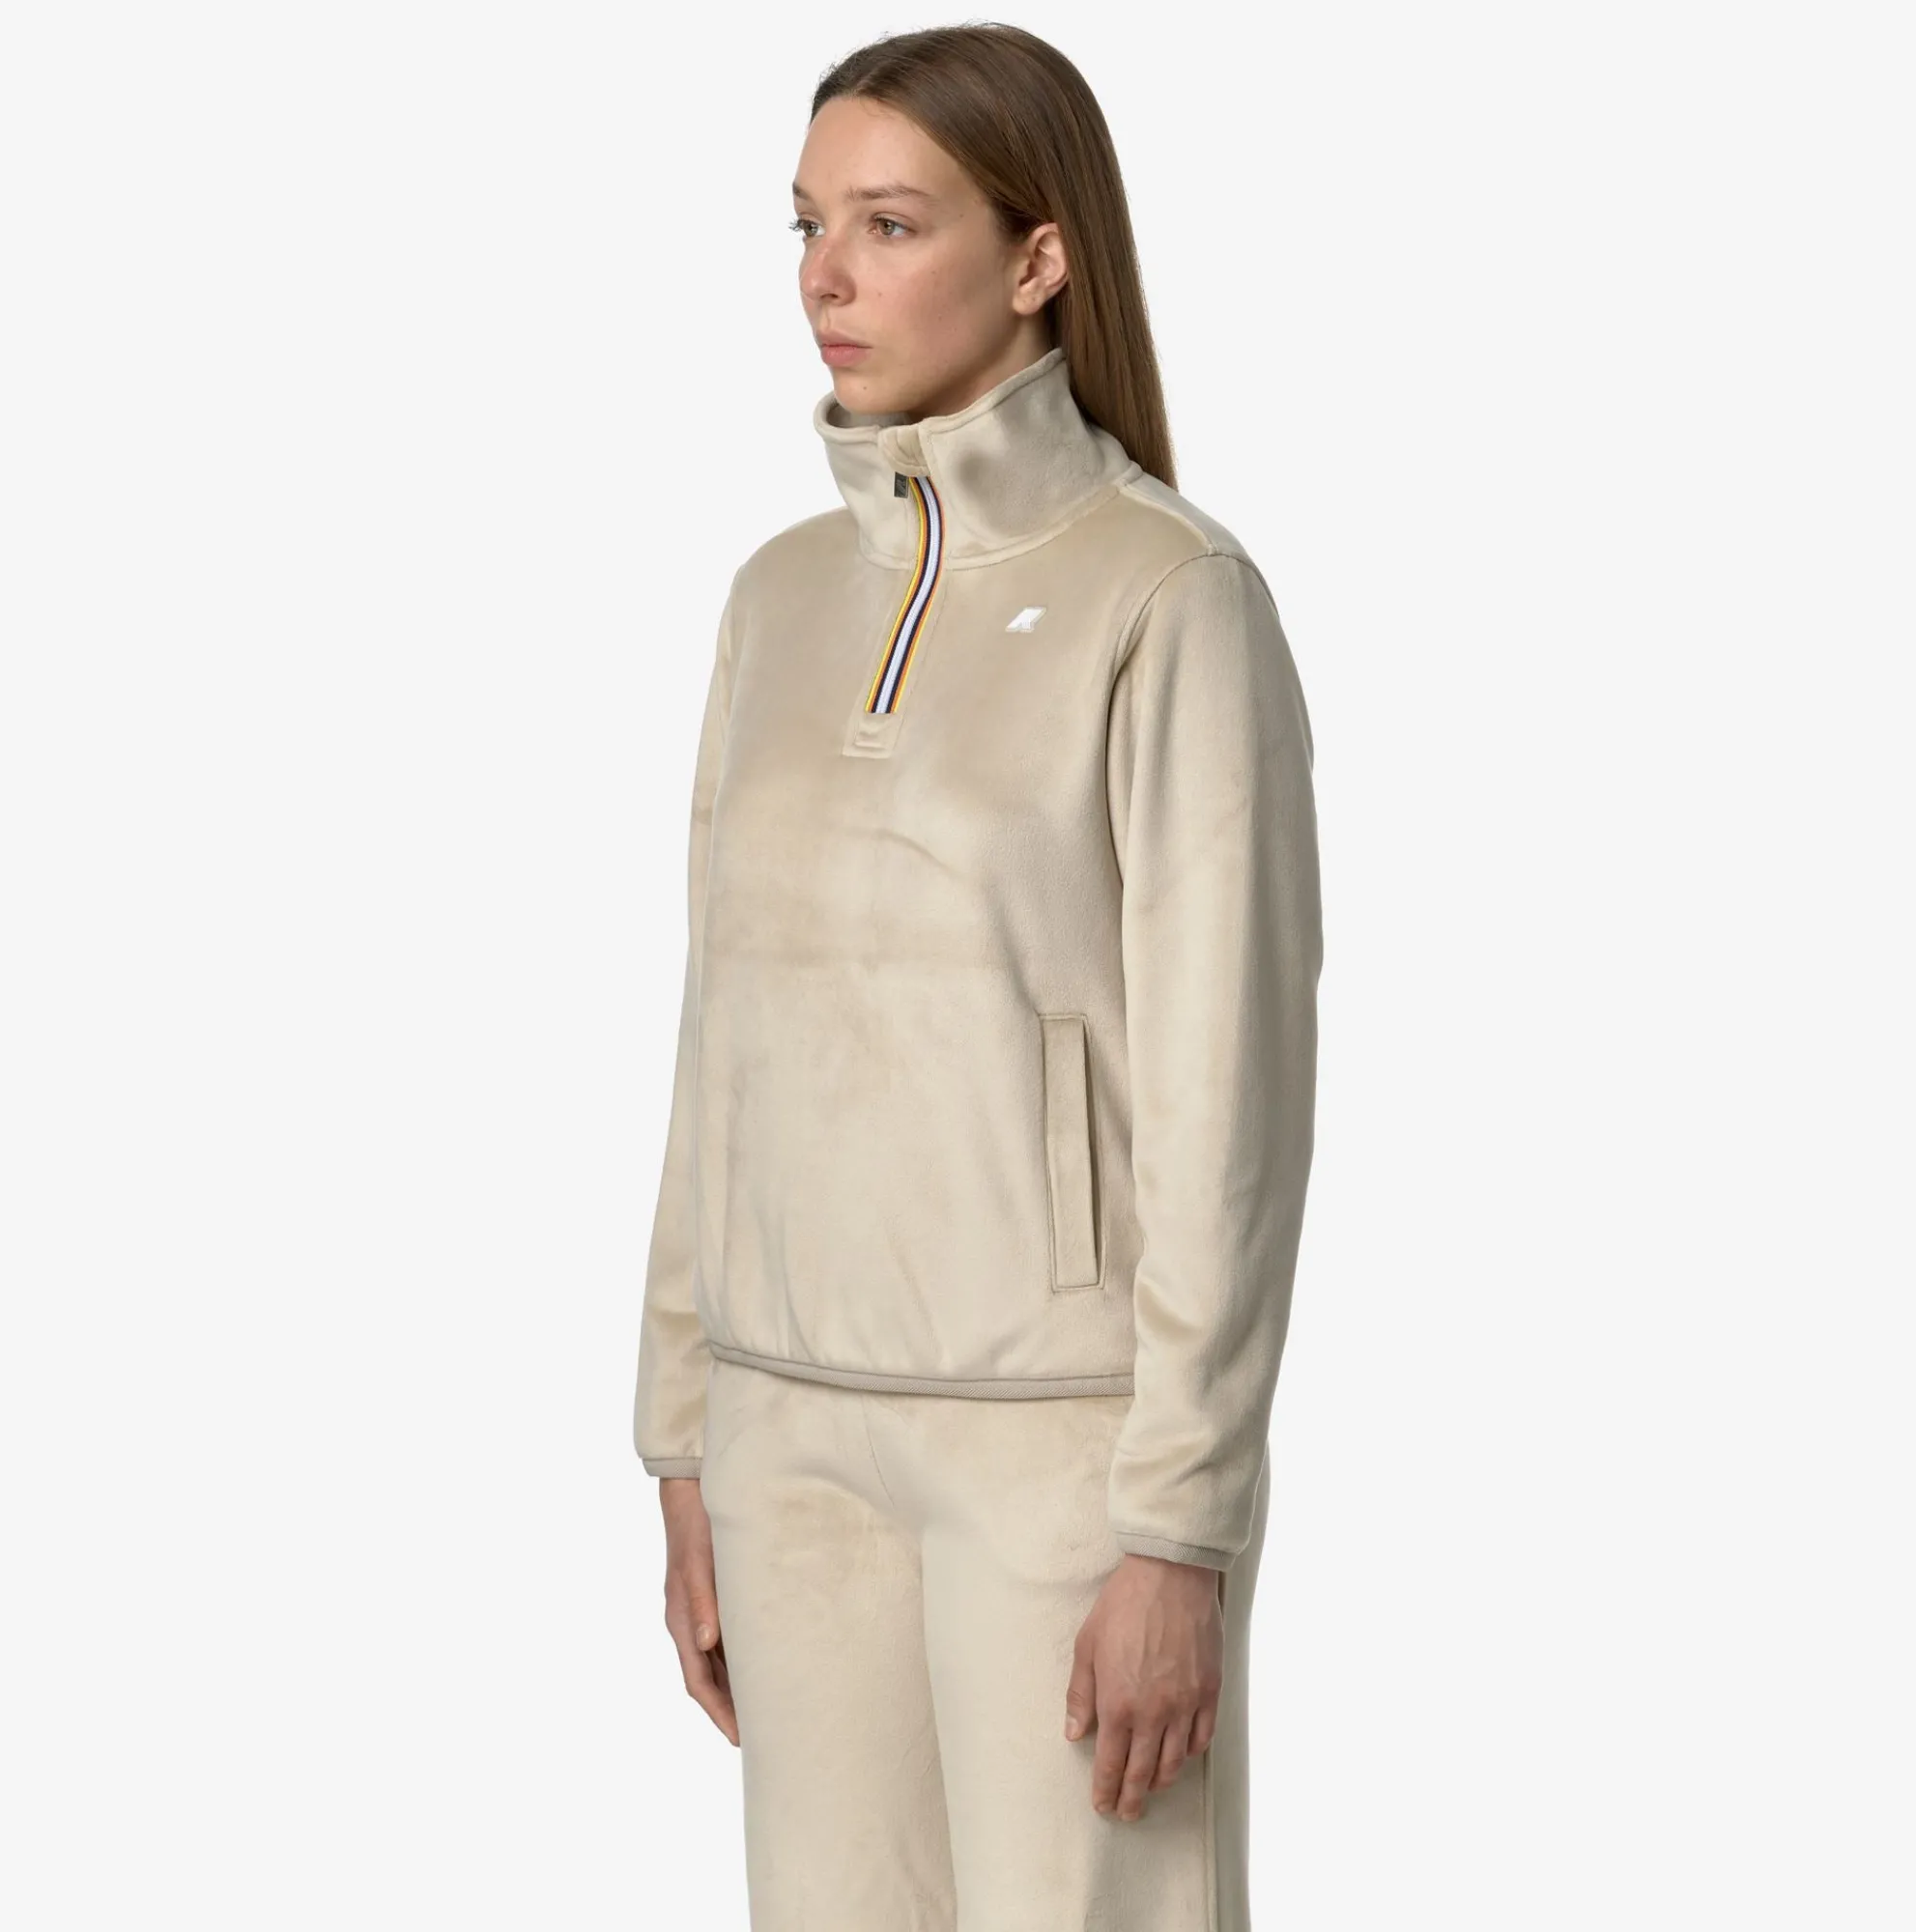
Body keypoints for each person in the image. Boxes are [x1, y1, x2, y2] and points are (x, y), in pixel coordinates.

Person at [632, 23, 1323, 1930]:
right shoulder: (778, 598)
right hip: (787, 1435)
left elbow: (1228, 1099)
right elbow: (720, 1037)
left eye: (889, 222)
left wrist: (1179, 1523)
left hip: (1056, 1452)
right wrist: (683, 1431)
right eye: (804, 226)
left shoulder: (1165, 598)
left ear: (1038, 257)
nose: (825, 278)